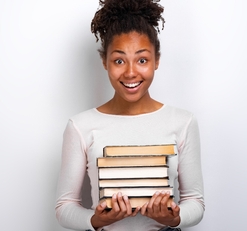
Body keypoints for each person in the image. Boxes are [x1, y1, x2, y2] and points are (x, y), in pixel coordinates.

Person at [55, 0, 205, 230]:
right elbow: (65, 206)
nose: (131, 72)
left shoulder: (183, 122)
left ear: (157, 61)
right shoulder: (80, 126)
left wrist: (173, 218)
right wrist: (95, 220)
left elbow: (195, 202)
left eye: (142, 59)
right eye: (119, 60)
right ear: (104, 62)